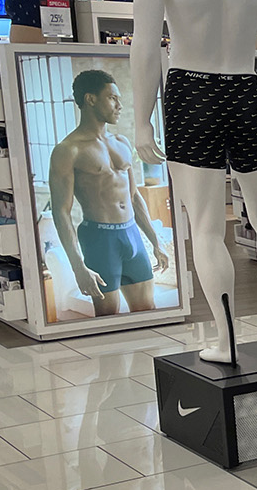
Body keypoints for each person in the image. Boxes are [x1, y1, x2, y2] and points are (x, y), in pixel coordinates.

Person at [48, 69, 168, 317]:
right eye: (112, 98)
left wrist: (156, 241)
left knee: (148, 313)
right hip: (99, 240)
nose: (119, 105)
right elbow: (61, 211)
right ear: (90, 99)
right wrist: (78, 266)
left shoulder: (121, 142)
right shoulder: (67, 150)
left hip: (132, 234)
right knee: (108, 319)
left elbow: (134, 197)